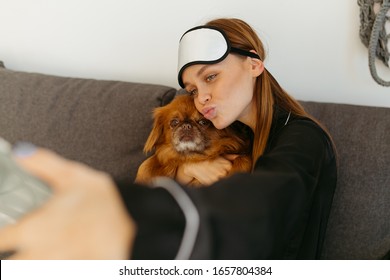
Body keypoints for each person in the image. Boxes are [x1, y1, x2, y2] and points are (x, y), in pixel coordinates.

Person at [0, 18, 337, 259]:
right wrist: (183, 173)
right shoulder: (233, 130)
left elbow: (263, 203)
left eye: (212, 77)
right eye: (193, 89)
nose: (202, 97)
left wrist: (130, 212)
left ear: (254, 65)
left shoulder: (303, 138)